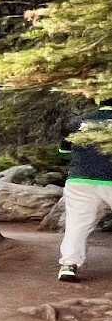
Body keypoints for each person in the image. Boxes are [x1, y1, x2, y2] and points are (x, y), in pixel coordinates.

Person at [58, 99, 112, 283]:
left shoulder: (79, 121)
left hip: (80, 179)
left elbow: (63, 151)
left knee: (77, 223)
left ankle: (68, 265)